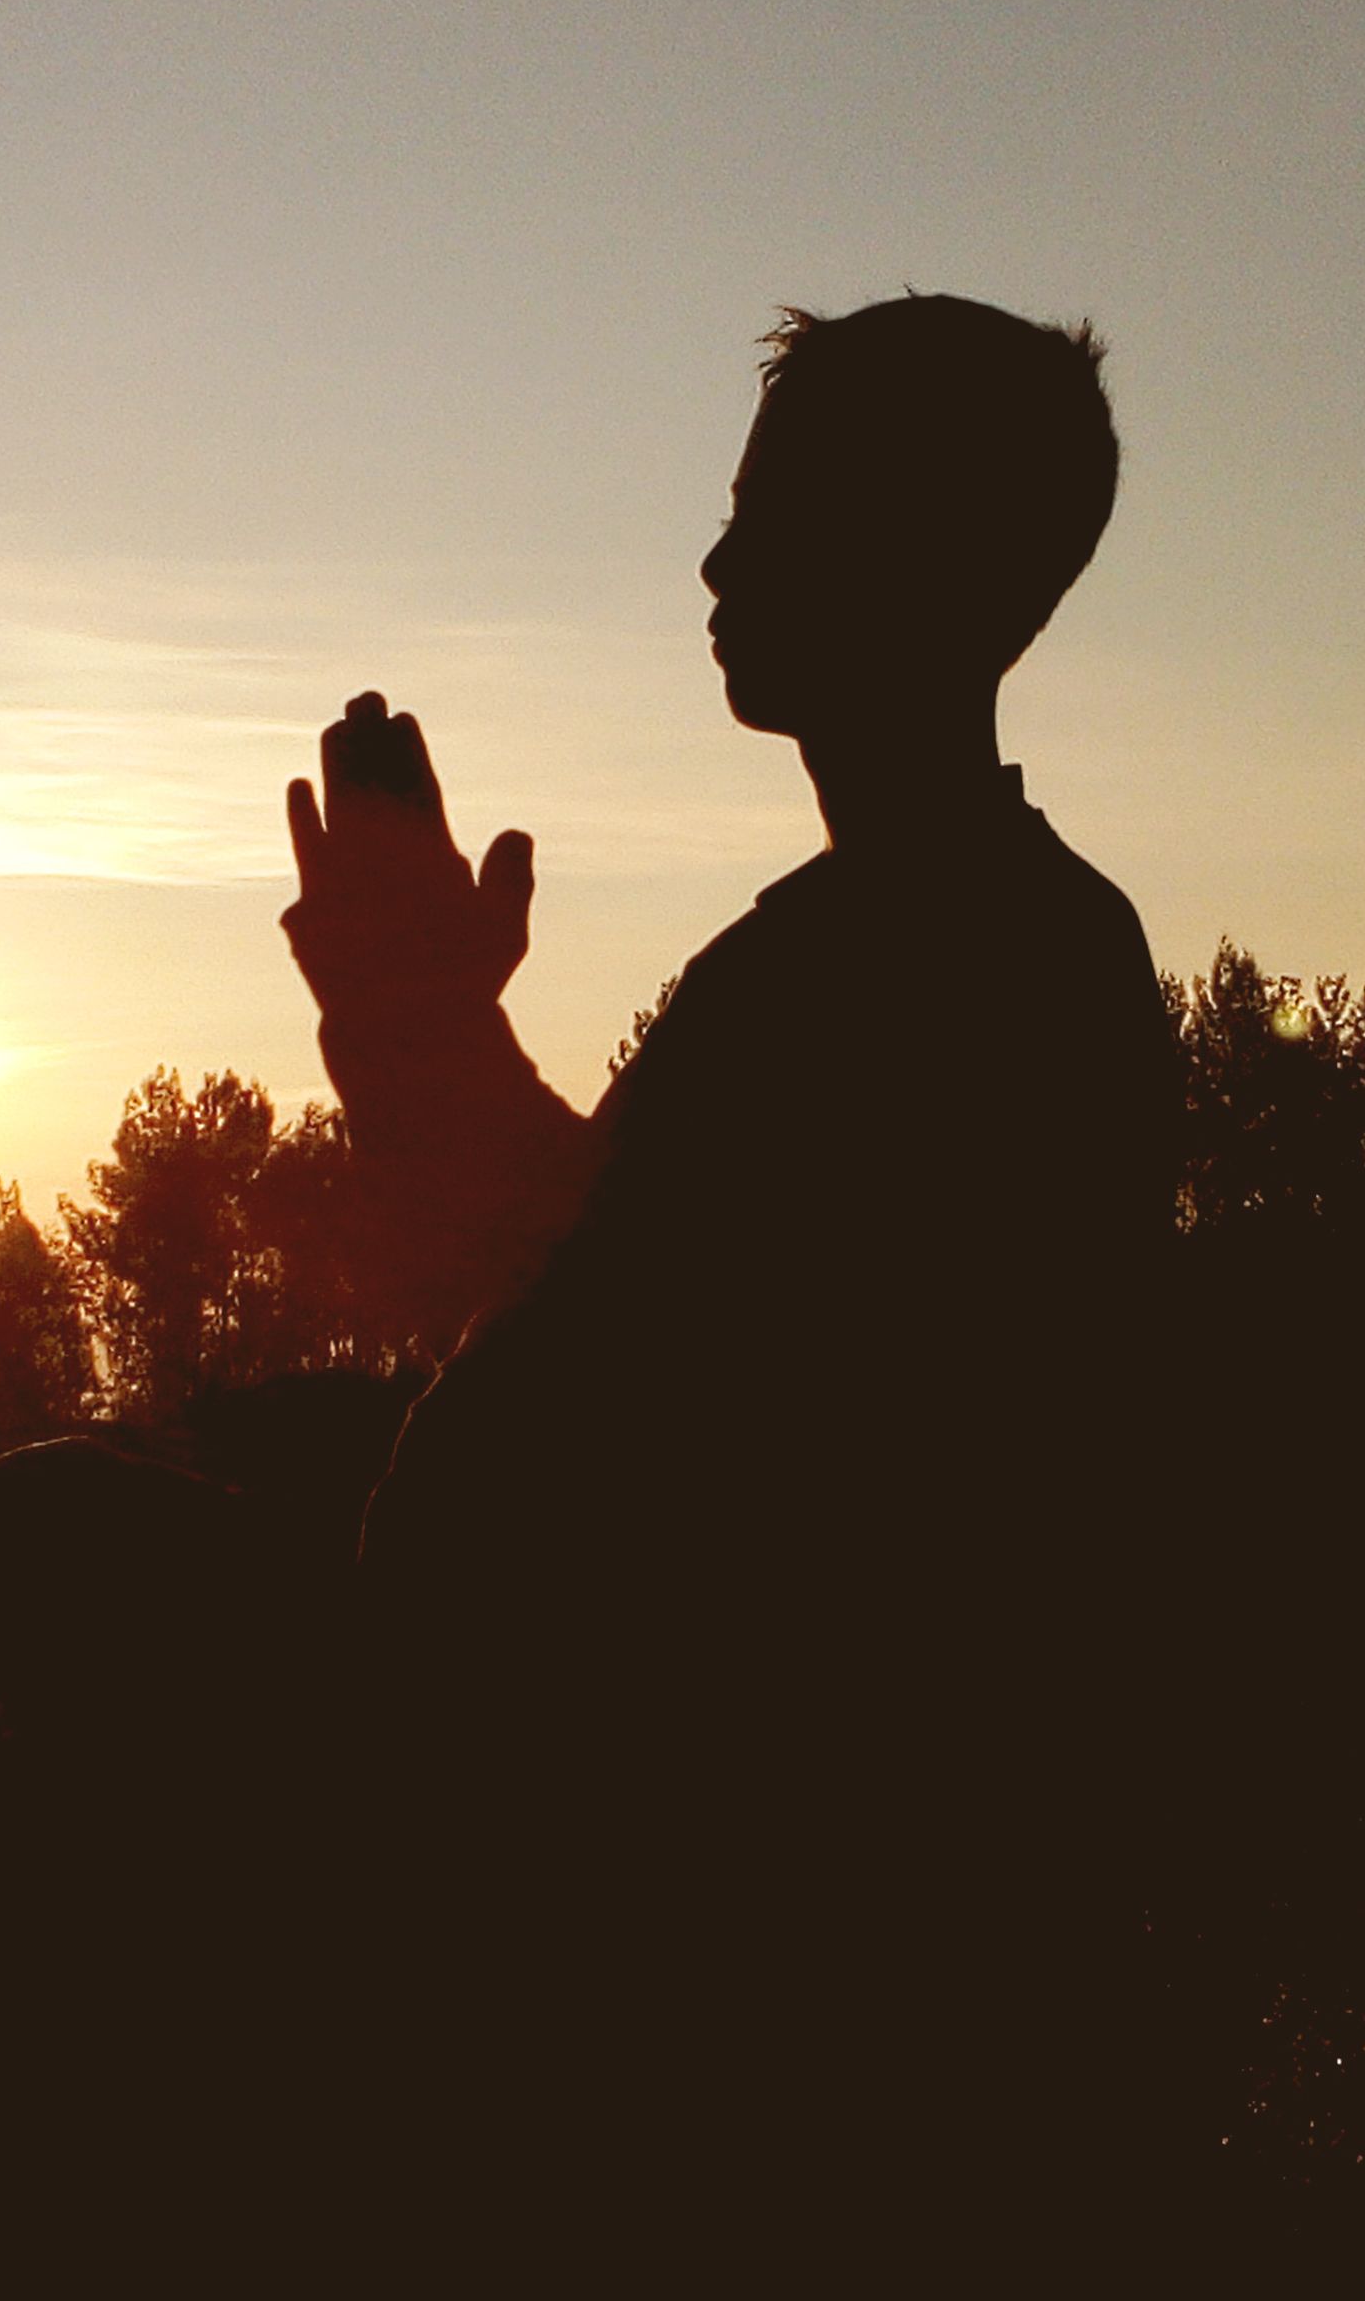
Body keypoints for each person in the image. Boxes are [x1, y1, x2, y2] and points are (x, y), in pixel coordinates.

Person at [286, 294, 1184, 2256]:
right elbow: (595, 1273)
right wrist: (416, 1021)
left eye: (766, 515)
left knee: (44, 1546)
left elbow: (551, 1350)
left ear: (911, 558)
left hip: (688, 1885)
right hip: (765, 1865)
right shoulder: (997, 945)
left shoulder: (877, 969)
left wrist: (409, 1024)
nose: (710, 562)